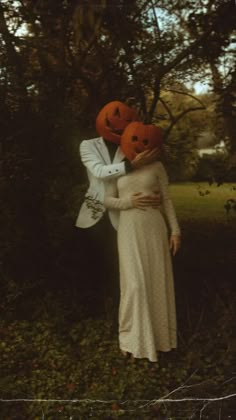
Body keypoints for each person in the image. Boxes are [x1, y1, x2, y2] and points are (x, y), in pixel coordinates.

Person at [75, 101, 161, 315]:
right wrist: (131, 165)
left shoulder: (131, 146)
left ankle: (120, 310)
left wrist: (154, 192)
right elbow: (99, 171)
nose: (120, 123)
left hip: (123, 210)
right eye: (115, 115)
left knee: (121, 263)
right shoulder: (88, 145)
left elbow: (144, 177)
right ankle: (89, 309)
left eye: (127, 119)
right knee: (89, 260)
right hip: (94, 210)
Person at [104, 137, 181, 362]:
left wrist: (175, 231)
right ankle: (130, 340)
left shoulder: (157, 167)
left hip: (154, 228)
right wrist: (129, 203)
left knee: (156, 282)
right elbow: (106, 200)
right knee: (135, 285)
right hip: (129, 229)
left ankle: (158, 341)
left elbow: (166, 199)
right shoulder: (118, 165)